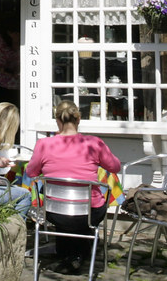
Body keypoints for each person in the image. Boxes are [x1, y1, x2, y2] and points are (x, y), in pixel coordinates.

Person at [26, 100, 122, 276]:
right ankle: (79, 254)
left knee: (64, 212)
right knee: (92, 205)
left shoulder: (44, 144)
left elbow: (31, 172)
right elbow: (115, 167)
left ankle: (71, 254)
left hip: (54, 211)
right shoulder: (94, 143)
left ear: (57, 120)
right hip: (88, 212)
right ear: (78, 119)